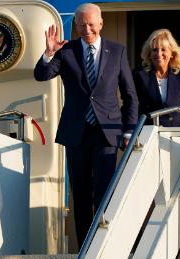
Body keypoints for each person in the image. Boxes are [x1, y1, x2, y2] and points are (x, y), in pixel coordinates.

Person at [34, 3, 138, 247]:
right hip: (76, 133)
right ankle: (85, 248)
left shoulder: (117, 51)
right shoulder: (65, 51)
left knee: (104, 191)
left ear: (101, 24)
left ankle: (104, 245)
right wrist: (49, 53)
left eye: (91, 24)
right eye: (82, 25)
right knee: (80, 194)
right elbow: (42, 75)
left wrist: (129, 128)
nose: (87, 29)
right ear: (76, 26)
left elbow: (130, 94)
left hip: (107, 133)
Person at [133, 29, 180, 127]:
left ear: (172, 53)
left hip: (178, 136)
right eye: (154, 50)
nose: (159, 54)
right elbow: (133, 108)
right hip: (149, 135)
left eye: (163, 49)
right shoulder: (140, 75)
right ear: (149, 54)